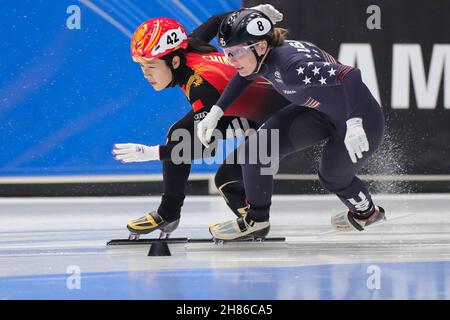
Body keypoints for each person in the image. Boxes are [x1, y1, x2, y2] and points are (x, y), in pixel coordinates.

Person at [197, 9, 386, 240]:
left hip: (361, 123)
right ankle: (256, 220)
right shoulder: (261, 57)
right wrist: (216, 112)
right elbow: (244, 76)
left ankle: (367, 213)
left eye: (235, 52)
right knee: (255, 151)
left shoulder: (293, 69)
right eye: (227, 53)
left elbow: (350, 75)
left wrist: (355, 121)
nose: (231, 60)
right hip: (319, 112)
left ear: (261, 47)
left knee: (332, 178)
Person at [112, 6, 289, 238]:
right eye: (142, 66)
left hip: (277, 116)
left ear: (174, 62)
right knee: (179, 132)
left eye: (151, 66)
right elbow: (217, 20)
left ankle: (256, 221)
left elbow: (199, 147)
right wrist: (249, 12)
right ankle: (169, 212)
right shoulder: (188, 46)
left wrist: (151, 153)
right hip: (246, 105)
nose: (146, 74)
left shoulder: (199, 85)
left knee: (226, 179)